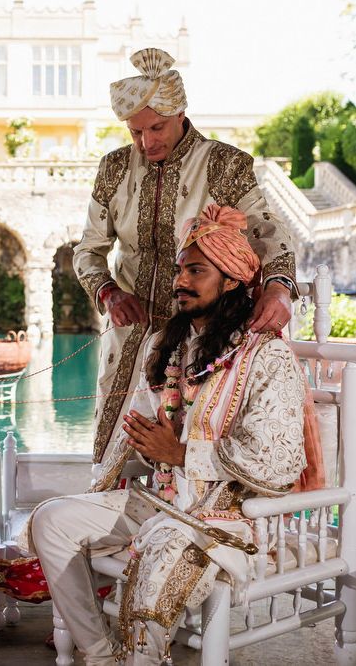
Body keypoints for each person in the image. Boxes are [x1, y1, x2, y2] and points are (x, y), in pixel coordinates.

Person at [27, 204, 308, 665]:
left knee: (160, 555)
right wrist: (134, 453)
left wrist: (181, 454)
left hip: (225, 517)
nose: (180, 281)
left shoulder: (265, 357)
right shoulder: (167, 346)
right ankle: (101, 654)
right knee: (52, 519)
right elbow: (141, 429)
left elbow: (278, 463)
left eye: (196, 271)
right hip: (159, 498)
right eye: (180, 270)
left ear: (233, 280)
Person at [73, 47, 298, 466]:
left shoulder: (225, 165)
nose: (146, 142)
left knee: (193, 441)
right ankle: (115, 523)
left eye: (156, 128)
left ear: (180, 113)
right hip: (131, 337)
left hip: (206, 334)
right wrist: (108, 292)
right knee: (117, 452)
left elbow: (269, 232)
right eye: (135, 132)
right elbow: (88, 249)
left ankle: (192, 524)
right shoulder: (115, 168)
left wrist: (279, 287)